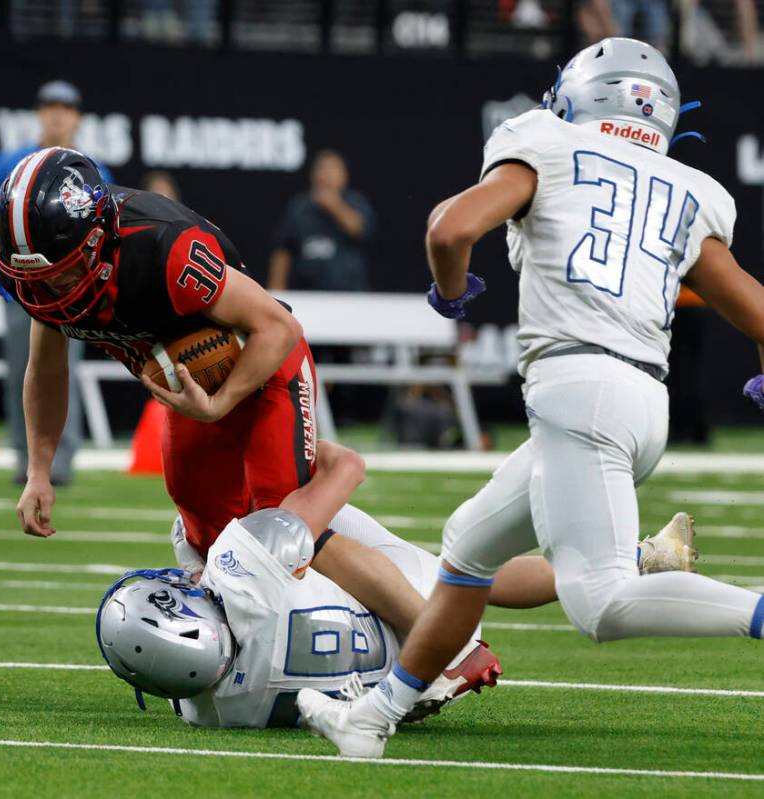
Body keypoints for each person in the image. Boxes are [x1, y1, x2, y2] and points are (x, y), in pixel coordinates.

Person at [297, 37, 764, 759]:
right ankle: (373, 718)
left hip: (580, 392)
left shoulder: (543, 139)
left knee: (600, 603)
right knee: (468, 548)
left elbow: (449, 227)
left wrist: (450, 293)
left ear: (583, 93)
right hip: (640, 401)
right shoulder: (688, 189)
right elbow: (758, 313)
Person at [97, 442, 697, 729]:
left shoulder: (211, 711)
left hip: (376, 676)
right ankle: (449, 648)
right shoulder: (241, 572)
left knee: (466, 581)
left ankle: (643, 560)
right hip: (400, 613)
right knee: (329, 537)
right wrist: (270, 438)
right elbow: (347, 468)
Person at [0, 148, 316, 556]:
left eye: (61, 272)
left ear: (98, 236)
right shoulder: (40, 280)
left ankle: (343, 491)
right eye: (35, 276)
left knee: (279, 534)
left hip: (266, 366)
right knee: (205, 536)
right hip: (190, 386)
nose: (49, 288)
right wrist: (38, 472)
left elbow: (278, 327)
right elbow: (46, 372)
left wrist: (221, 402)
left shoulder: (162, 247)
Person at [0, 79, 110, 487]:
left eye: (65, 108)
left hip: (72, 287)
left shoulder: (88, 166)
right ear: (39, 113)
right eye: (49, 107)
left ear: (77, 118)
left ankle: (62, 458)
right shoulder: (12, 160)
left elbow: (109, 223)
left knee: (65, 368)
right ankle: (26, 457)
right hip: (20, 282)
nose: (57, 115)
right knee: (21, 370)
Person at [267, 149, 375, 293]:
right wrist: (276, 290)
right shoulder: (299, 207)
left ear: (344, 175)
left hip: (350, 296)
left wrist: (335, 207)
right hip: (308, 295)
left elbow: (360, 230)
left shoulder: (356, 202)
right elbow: (283, 250)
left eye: (332, 169)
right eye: (322, 168)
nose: (326, 174)